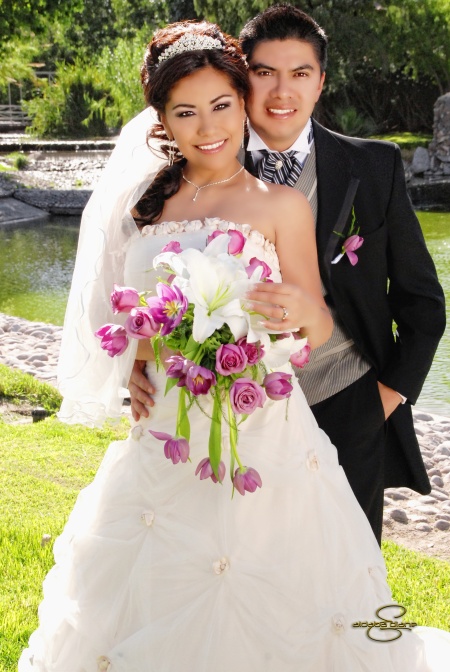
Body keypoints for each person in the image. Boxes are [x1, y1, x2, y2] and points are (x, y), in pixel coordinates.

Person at [19, 20, 450, 672]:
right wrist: (138, 361)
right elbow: (127, 306)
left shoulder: (280, 205)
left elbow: (317, 324)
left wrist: (300, 314)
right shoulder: (144, 205)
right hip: (164, 430)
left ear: (242, 102)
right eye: (184, 112)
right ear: (161, 118)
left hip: (263, 430)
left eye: (221, 105)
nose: (207, 125)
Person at [128, 4, 446, 545]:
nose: (282, 92)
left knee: (346, 565)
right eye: (264, 73)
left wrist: (386, 397)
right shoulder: (200, 164)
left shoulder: (375, 166)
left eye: (300, 73)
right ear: (240, 77)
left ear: (321, 83)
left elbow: (422, 302)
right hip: (232, 415)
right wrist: (140, 364)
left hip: (348, 397)